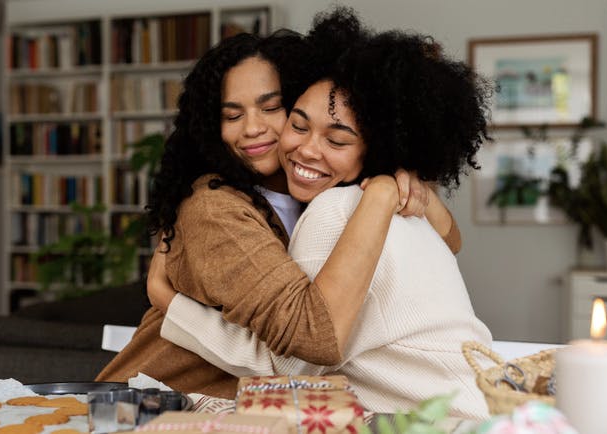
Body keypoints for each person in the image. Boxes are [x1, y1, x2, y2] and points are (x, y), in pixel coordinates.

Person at [148, 18, 494, 419]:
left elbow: (294, 361)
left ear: (375, 146)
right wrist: (386, 189)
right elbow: (305, 353)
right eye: (299, 125)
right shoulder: (230, 204)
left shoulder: (340, 207)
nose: (255, 128)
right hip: (167, 393)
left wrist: (167, 300)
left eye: (272, 107)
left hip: (440, 419)